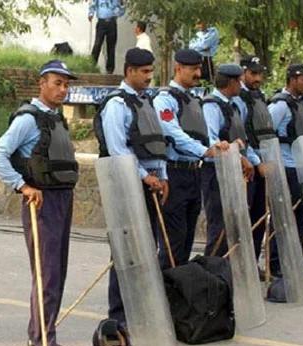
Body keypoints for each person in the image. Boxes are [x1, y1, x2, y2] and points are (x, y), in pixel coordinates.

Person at [0, 60, 79, 346]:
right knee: (47, 274)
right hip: (42, 202)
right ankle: (45, 344)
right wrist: (22, 186)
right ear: (42, 83)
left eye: (67, 84)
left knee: (56, 272)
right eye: (57, 83)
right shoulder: (28, 120)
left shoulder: (55, 119)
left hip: (62, 199)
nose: (63, 89)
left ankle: (37, 334)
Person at [95, 48, 167, 326]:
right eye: (144, 72)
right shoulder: (117, 105)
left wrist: (162, 177)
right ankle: (120, 318)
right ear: (129, 71)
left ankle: (141, 314)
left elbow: (156, 145)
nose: (150, 76)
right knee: (125, 251)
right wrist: (143, 175)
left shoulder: (145, 101)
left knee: (146, 249)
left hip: (149, 184)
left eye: (151, 71)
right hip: (126, 186)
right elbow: (117, 149)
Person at [153, 49, 224, 268]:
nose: (198, 73)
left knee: (187, 239)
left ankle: (180, 291)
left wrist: (216, 147)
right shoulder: (165, 100)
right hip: (174, 173)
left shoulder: (193, 100)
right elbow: (172, 132)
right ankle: (167, 291)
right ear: (178, 69)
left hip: (194, 173)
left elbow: (204, 134)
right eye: (193, 69)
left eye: (199, 68)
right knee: (173, 240)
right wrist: (203, 151)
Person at [267, 63, 303, 274]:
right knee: (282, 217)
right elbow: (267, 135)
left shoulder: (300, 103)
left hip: (300, 166)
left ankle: (294, 258)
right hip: (285, 167)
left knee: (299, 216)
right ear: (292, 79)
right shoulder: (279, 105)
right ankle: (276, 262)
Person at [200, 64, 248, 257]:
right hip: (216, 172)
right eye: (239, 81)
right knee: (218, 226)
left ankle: (225, 272)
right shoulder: (212, 105)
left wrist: (244, 157)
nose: (241, 86)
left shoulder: (232, 105)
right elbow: (212, 140)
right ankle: (212, 272)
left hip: (232, 169)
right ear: (231, 82)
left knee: (231, 225)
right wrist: (235, 153)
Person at [233, 55, 273, 260]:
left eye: (260, 74)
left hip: (263, 162)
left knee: (259, 216)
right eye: (253, 73)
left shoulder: (259, 96)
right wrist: (255, 162)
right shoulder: (238, 99)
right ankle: (241, 264)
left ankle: (253, 261)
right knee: (243, 218)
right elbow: (242, 134)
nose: (258, 78)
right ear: (242, 73)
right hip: (247, 164)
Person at [88, 0, 125, 75]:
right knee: (97, 44)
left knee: (111, 46)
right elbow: (93, 4)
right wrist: (91, 13)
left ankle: (110, 69)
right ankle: (91, 65)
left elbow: (121, 12)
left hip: (112, 22)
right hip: (101, 22)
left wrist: (122, 5)